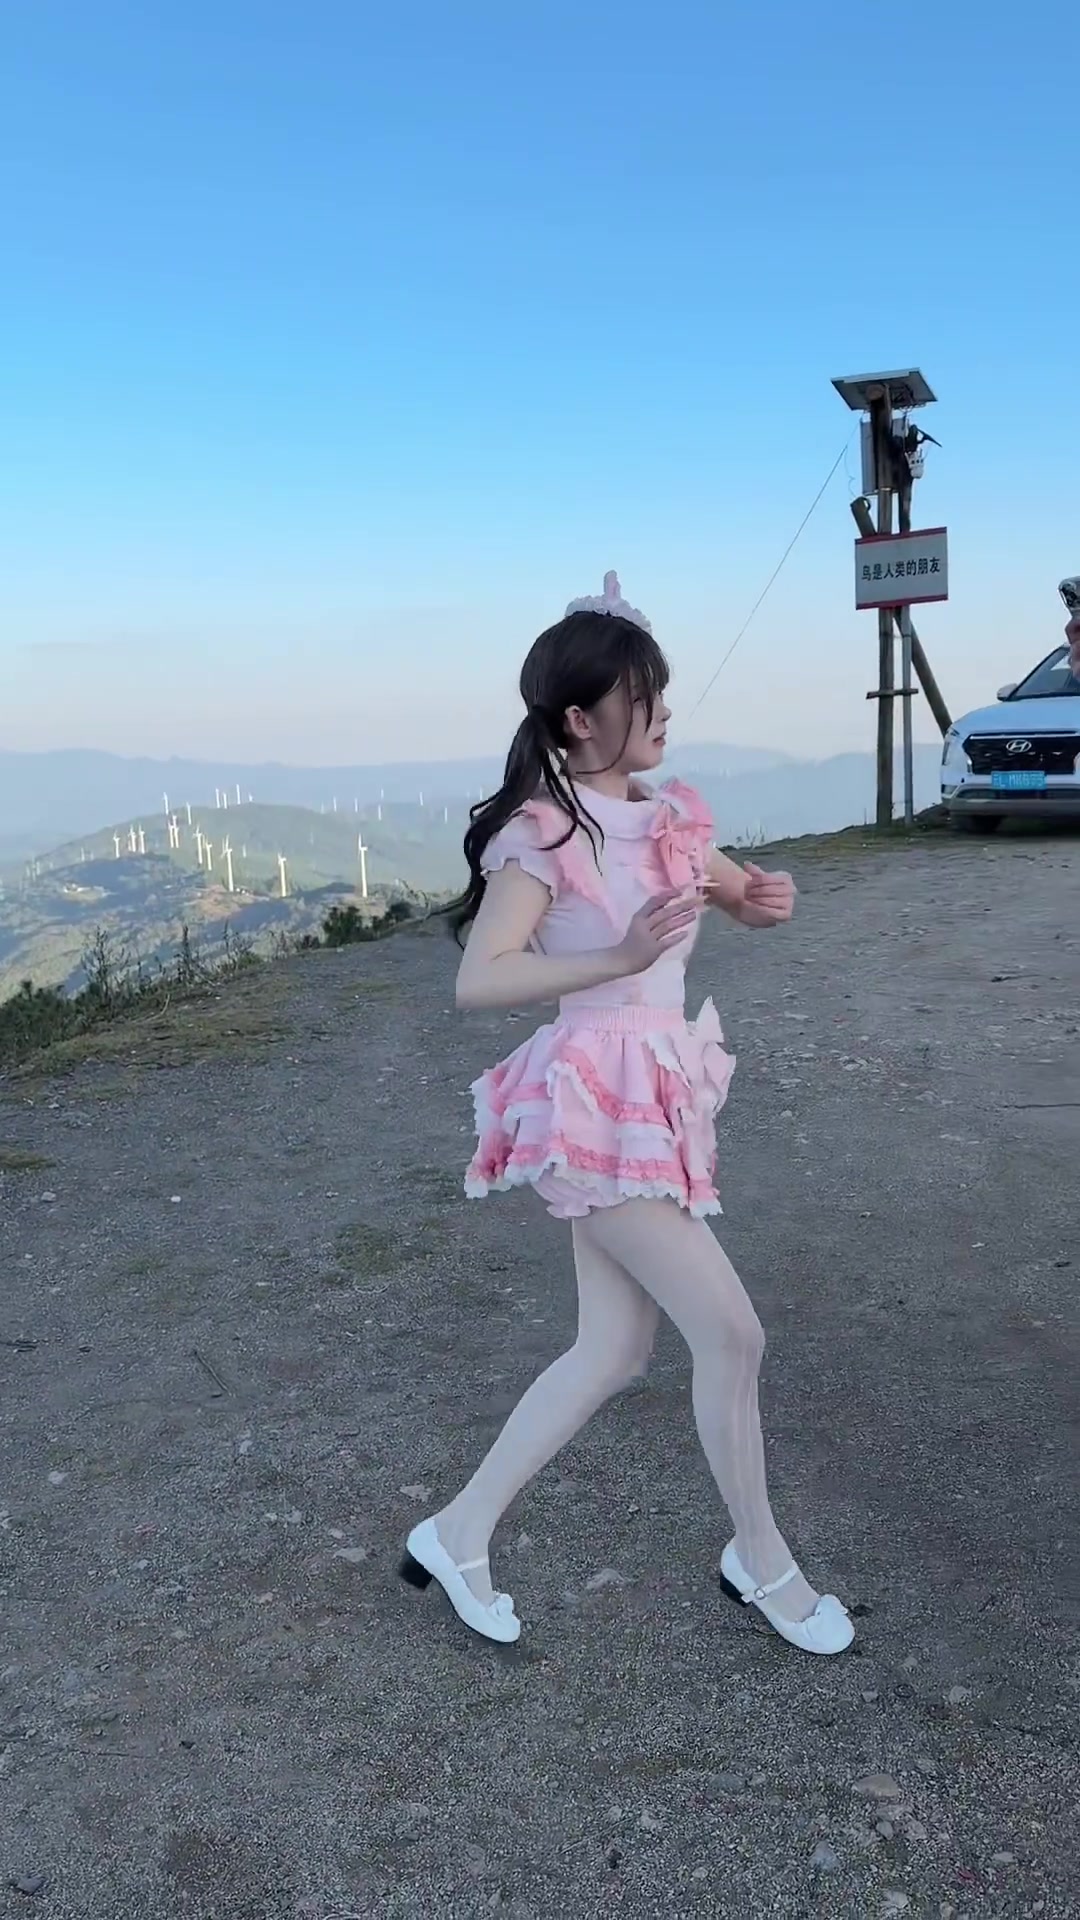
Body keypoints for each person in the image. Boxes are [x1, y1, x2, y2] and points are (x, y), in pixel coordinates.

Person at [399, 573, 854, 1657]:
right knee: (732, 1333)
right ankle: (763, 1563)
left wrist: (765, 899)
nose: (661, 712)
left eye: (660, 692)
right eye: (641, 696)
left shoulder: (666, 815)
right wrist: (616, 954)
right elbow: (480, 979)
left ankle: (456, 1533)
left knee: (610, 1349)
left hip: (652, 1098)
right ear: (579, 718)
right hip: (591, 1108)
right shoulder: (546, 832)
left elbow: (734, 894)